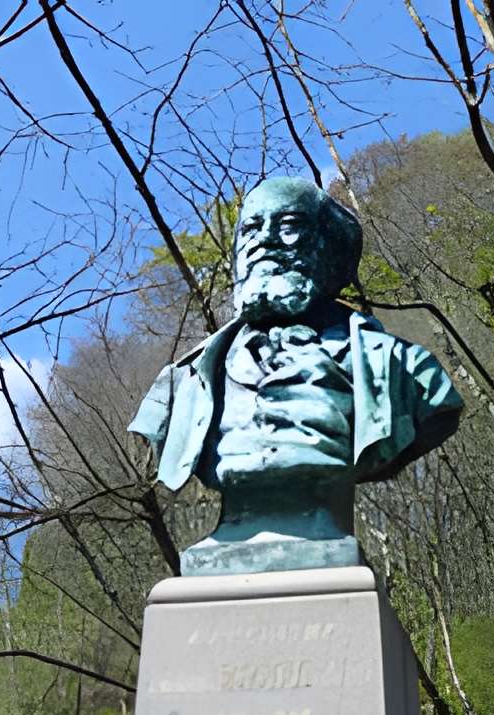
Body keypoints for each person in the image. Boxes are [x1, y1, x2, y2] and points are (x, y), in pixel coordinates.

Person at [130, 175, 462, 571]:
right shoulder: (180, 384)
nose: (265, 240)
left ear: (331, 250)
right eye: (251, 228)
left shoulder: (404, 371)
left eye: (289, 227)